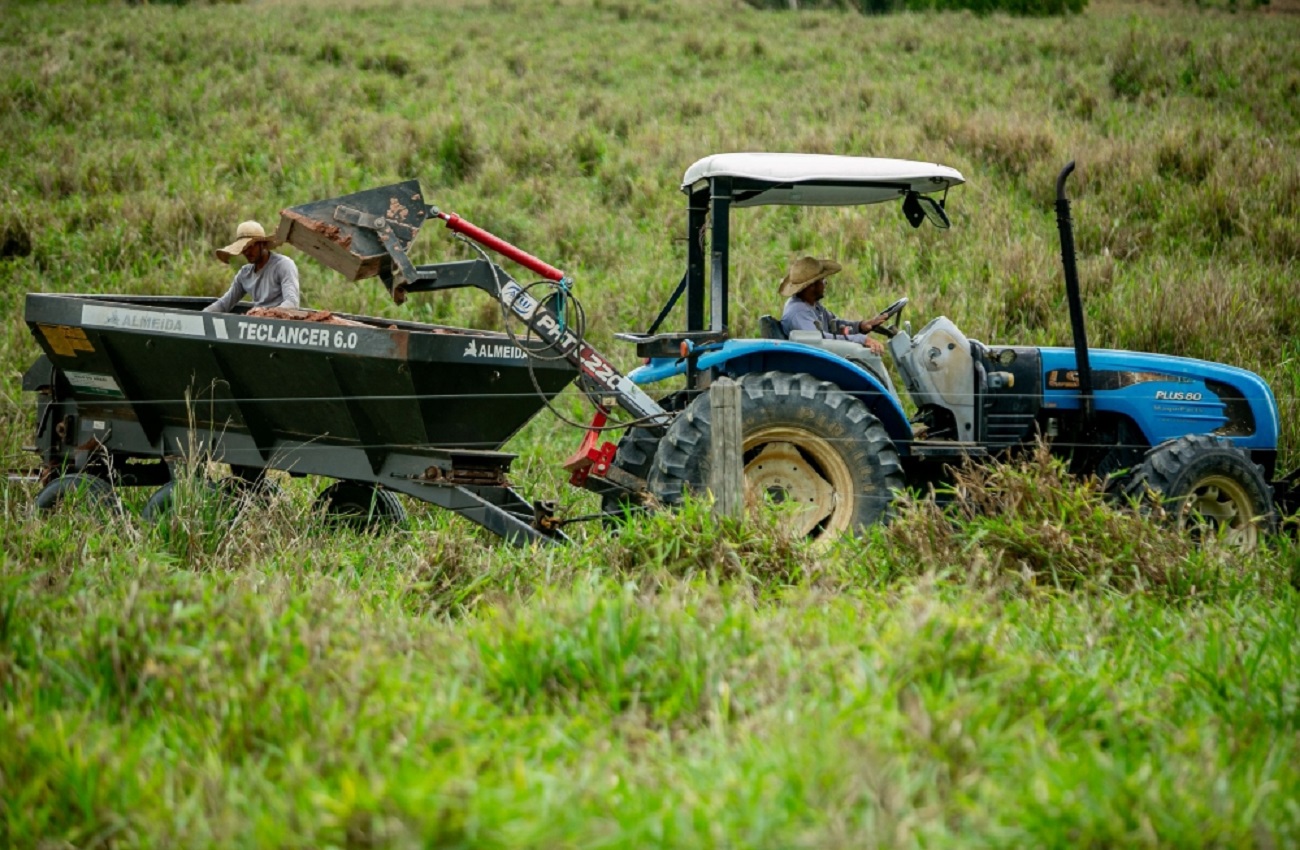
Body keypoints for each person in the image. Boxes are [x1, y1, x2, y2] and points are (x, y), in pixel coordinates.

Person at [779, 255, 896, 394]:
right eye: (822, 280)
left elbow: (834, 324)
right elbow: (819, 340)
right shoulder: (798, 313)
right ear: (811, 286)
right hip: (813, 366)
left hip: (819, 362)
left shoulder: (812, 305)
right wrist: (861, 339)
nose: (826, 283)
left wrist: (860, 326)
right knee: (867, 356)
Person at [203, 220, 300, 313]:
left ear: (262, 244)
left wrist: (265, 313)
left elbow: (292, 303)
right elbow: (224, 304)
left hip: (279, 320)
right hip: (256, 320)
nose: (247, 252)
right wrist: (202, 314)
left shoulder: (283, 265)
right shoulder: (245, 274)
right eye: (244, 248)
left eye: (251, 246)